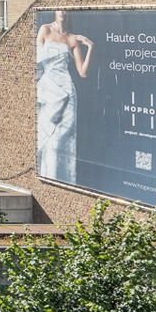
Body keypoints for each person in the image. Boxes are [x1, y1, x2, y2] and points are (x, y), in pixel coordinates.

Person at [35, 10, 93, 183]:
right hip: (48, 91)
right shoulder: (44, 30)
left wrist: (91, 47)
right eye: (59, 8)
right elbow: (35, 62)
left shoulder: (72, 39)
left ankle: (61, 182)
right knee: (46, 140)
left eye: (65, 9)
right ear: (55, 11)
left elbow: (82, 72)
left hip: (67, 94)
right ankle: (44, 178)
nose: (63, 12)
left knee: (60, 142)